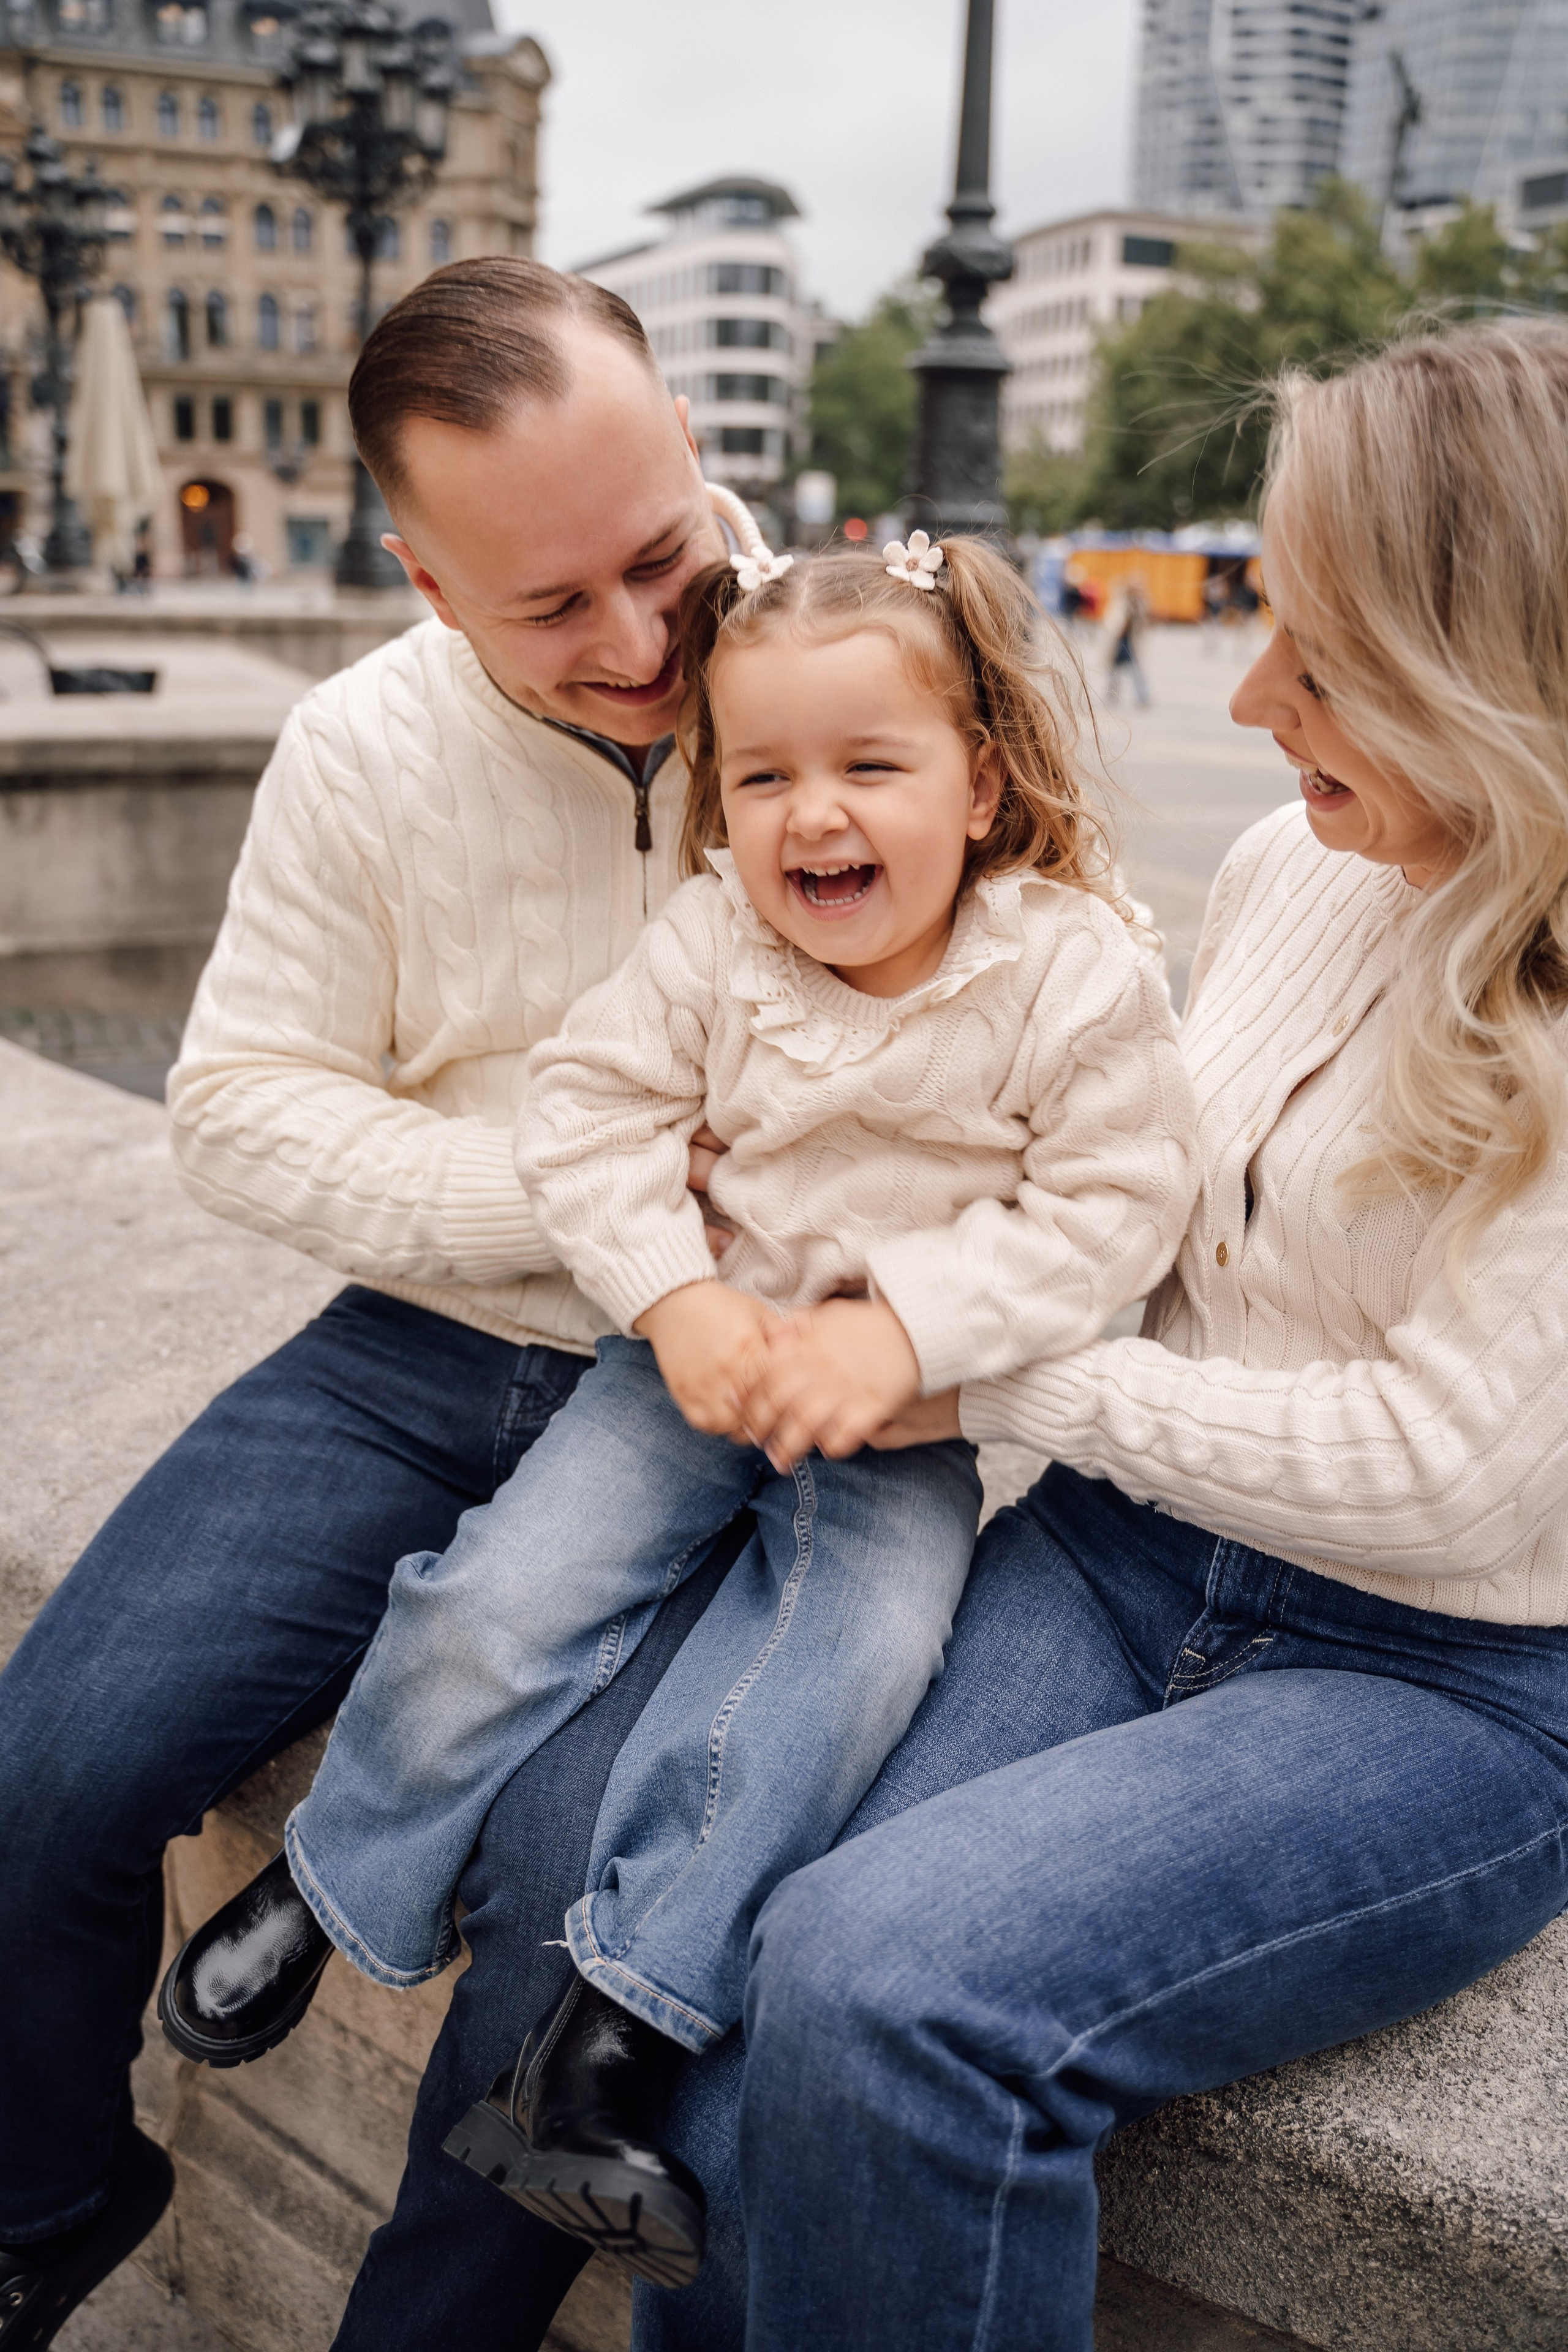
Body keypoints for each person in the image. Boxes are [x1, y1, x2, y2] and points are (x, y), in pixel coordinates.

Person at [630, 320, 1568, 2352]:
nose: (1241, 695)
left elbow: (1450, 1479)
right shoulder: (1279, 863)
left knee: (891, 1983)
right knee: (744, 1930)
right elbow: (1140, 1219)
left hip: (1451, 1678)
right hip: (1136, 1544)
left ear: (1487, 674)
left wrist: (985, 1361)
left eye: (1314, 662)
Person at [158, 529, 1197, 2289]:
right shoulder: (715, 938)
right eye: (766, 774)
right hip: (682, 1372)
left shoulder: (1069, 968)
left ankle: (626, 2024)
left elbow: (1118, 1204)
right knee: (507, 1598)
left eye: (872, 767)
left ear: (982, 780)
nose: (813, 818)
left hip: (899, 1431)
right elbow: (589, 1120)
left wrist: (911, 1330)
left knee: (839, 1683)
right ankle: (336, 1878)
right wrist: (680, 1297)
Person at [0, 255, 778, 2352]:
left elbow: (1074, 990)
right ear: (432, 590)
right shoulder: (359, 745)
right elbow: (236, 1113)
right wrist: (577, 1190)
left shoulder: (874, 667)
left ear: (700, 462)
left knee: (561, 1896)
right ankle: (47, 2203)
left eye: (661, 557)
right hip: (417, 1346)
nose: (638, 645)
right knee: (45, 1768)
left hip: (729, 1401)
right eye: (551, 608)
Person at [1102, 573, 1151, 706]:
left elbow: (1143, 622)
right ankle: (1113, 695)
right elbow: (1112, 620)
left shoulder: (1140, 602)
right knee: (1115, 670)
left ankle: (1142, 697)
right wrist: (1117, 629)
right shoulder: (1120, 601)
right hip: (1119, 641)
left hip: (1131, 642)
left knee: (1136, 670)